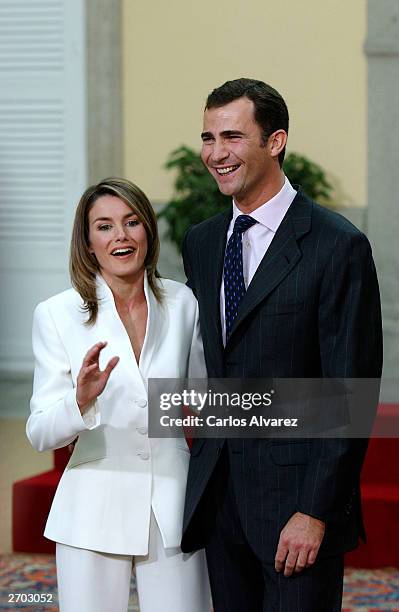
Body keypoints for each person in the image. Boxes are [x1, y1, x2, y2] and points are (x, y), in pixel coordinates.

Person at [180, 79, 383, 611]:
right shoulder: (201, 243)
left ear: (275, 142)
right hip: (220, 502)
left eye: (232, 137)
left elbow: (350, 392)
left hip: (296, 509)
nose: (216, 153)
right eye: (208, 137)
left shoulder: (337, 245)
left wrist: (315, 511)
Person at [27, 178, 211, 612]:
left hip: (173, 507)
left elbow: (205, 403)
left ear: (147, 229)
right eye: (105, 226)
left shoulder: (184, 302)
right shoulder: (56, 314)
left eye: (131, 222)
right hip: (92, 509)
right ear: (88, 242)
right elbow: (39, 433)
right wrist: (80, 401)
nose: (121, 236)